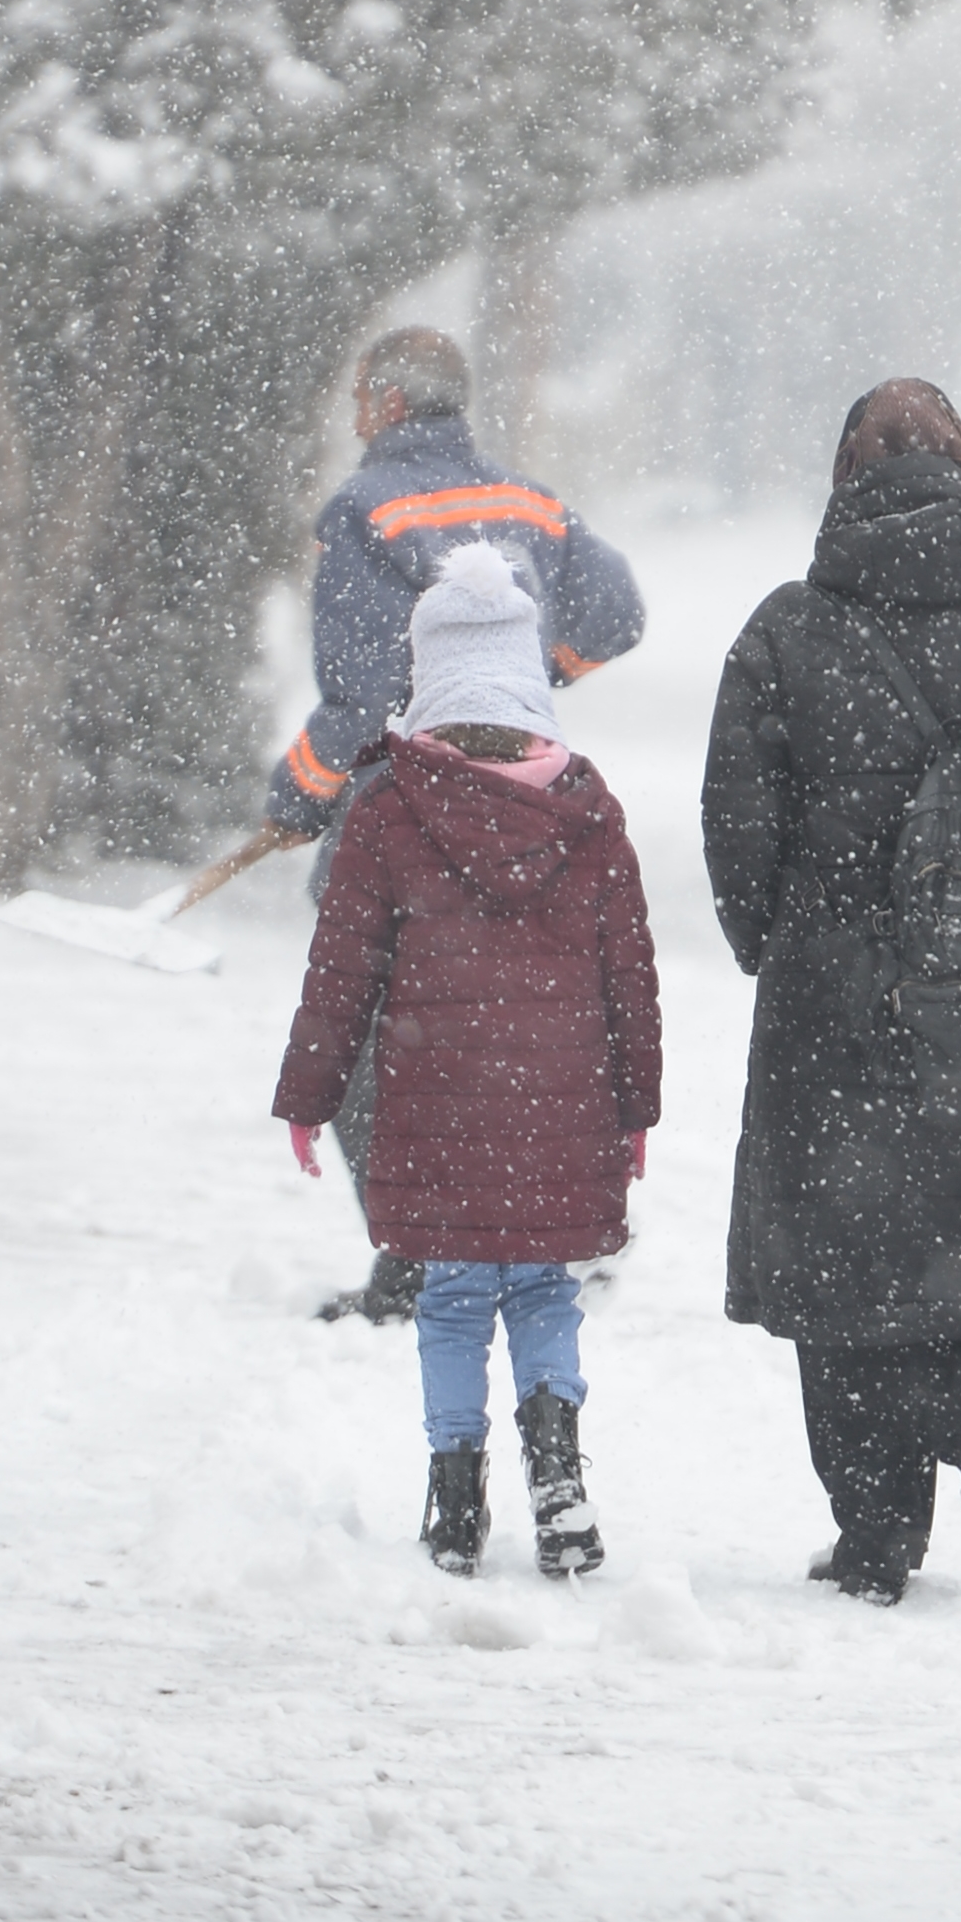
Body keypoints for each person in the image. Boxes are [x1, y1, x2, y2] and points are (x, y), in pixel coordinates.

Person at [701, 378, 961, 1606]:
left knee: (846, 1276)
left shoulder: (785, 631)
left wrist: (779, 949)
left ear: (843, 483)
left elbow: (736, 825)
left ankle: (877, 1532)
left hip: (835, 1006)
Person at [271, 545, 662, 1577]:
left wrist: (310, 1093)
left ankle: (453, 1495)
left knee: (450, 1295)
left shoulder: (387, 808)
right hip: (560, 1098)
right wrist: (635, 1110)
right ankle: (558, 1471)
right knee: (542, 1290)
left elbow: (341, 972)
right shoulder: (587, 809)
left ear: (429, 669)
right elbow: (631, 976)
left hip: (432, 1094)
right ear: (528, 670)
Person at [263, 322, 646, 1324]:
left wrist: (300, 789)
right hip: (533, 804)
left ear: (389, 404)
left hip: (415, 814)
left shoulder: (364, 511)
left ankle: (415, 1259)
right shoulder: (528, 500)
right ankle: (548, 1236)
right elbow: (617, 611)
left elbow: (361, 698)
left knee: (370, 1039)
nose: (353, 417)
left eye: (358, 398)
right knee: (518, 1032)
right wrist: (533, 681)